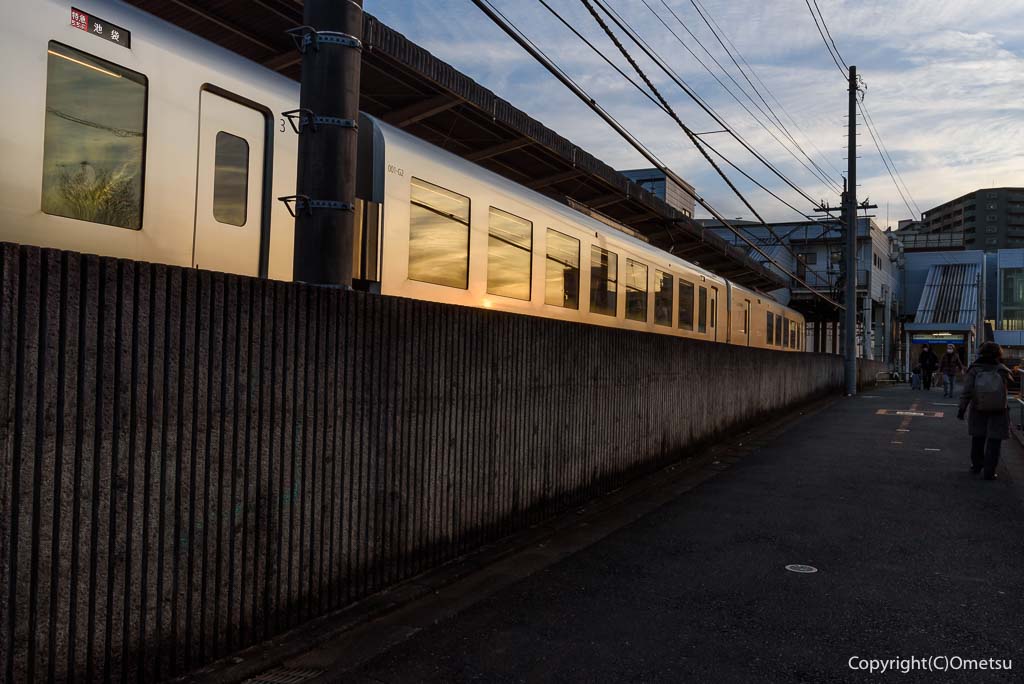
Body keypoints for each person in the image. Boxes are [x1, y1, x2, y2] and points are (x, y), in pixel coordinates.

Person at [957, 342, 1012, 480]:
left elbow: (967, 390)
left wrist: (962, 408)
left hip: (978, 407)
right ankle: (990, 471)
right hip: (999, 409)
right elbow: (1008, 386)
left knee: (978, 437)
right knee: (994, 440)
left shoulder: (975, 369)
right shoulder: (1002, 369)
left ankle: (976, 465)